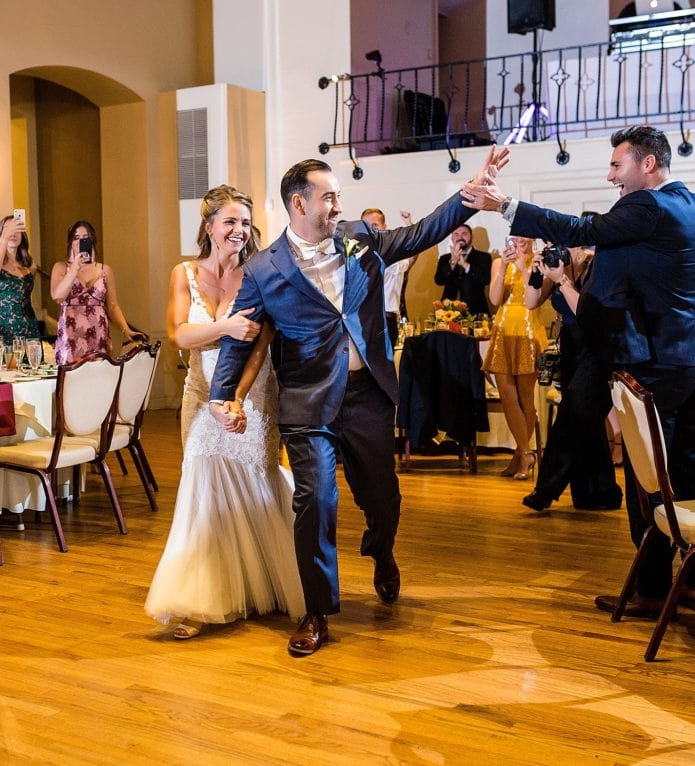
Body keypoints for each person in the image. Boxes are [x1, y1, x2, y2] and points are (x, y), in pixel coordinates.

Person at [209, 146, 509, 656]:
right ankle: (316, 610)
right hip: (307, 401)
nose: (338, 205)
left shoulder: (360, 239)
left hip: (367, 393)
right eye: (329, 197)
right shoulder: (263, 269)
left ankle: (382, 551)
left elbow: (420, 234)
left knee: (382, 499)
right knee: (316, 500)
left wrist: (468, 197)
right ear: (299, 205)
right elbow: (242, 335)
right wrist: (222, 395)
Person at [459, 125, 695, 619]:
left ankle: (651, 589)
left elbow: (583, 232)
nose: (611, 178)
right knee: (690, 466)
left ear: (648, 164)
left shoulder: (646, 208)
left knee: (648, 476)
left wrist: (505, 206)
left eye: (616, 166)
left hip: (655, 364)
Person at [145, 184, 304, 638]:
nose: (239, 230)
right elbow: (178, 334)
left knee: (256, 480)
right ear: (210, 226)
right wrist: (226, 326)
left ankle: (264, 583)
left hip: (250, 395)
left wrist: (234, 398)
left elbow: (261, 345)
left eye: (245, 222)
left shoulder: (261, 273)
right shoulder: (185, 273)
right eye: (230, 221)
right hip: (198, 394)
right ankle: (201, 599)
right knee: (202, 489)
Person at [520, 225, 622, 512]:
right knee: (586, 423)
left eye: (560, 246)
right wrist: (538, 273)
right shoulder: (557, 270)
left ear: (579, 247)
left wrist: (563, 280)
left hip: (598, 350)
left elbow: (588, 314)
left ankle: (545, 489)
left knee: (571, 417)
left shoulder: (597, 267)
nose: (557, 252)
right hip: (571, 348)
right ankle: (599, 492)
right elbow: (530, 302)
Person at [481, 235, 547, 481]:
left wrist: (524, 268)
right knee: (507, 395)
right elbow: (496, 300)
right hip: (503, 330)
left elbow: (534, 300)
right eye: (515, 237)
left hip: (528, 331)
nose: (519, 242)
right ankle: (525, 452)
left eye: (524, 237)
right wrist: (506, 267)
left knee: (525, 396)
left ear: (532, 238)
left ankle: (522, 454)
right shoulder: (499, 263)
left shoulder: (540, 262)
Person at [51, 220, 144, 364]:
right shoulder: (61, 268)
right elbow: (57, 297)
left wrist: (126, 330)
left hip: (98, 335)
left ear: (92, 241)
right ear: (70, 242)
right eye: (76, 238)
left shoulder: (104, 270)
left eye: (85, 238)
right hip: (71, 337)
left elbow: (113, 306)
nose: (80, 241)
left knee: (100, 381)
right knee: (71, 383)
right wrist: (74, 268)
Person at [0, 215, 39, 344]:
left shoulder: (30, 266)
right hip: (3, 329)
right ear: (0, 233)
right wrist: (4, 238)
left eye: (16, 229)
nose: (12, 233)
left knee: (32, 364)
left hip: (30, 330)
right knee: (7, 364)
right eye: (7, 228)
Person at [361, 207, 414, 347]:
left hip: (384, 320)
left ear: (384, 228)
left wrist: (409, 225)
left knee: (383, 367)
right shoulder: (357, 254)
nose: (370, 230)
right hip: (362, 322)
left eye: (375, 226)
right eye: (365, 226)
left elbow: (410, 257)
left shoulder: (392, 254)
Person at [433, 223, 492, 315]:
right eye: (456, 234)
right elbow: (439, 280)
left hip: (476, 312)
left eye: (464, 234)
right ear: (452, 238)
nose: (460, 237)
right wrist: (453, 261)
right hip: (448, 313)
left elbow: (485, 280)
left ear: (471, 237)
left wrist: (465, 265)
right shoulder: (445, 258)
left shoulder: (484, 257)